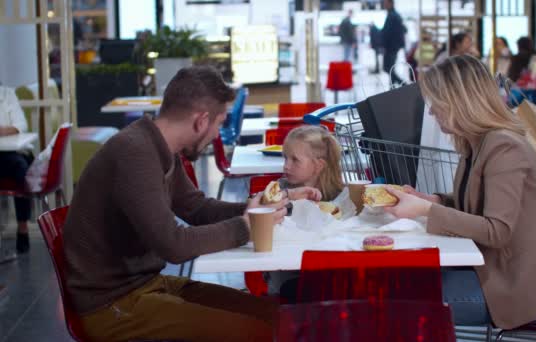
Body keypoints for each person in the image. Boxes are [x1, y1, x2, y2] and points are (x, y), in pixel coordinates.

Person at [63, 66, 320, 342]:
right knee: (260, 332)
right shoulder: (134, 153)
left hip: (148, 286)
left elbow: (197, 208)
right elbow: (174, 244)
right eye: (219, 125)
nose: (217, 135)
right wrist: (245, 227)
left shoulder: (158, 147)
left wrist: (257, 209)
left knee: (275, 315)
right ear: (201, 121)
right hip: (113, 306)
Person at [383, 55, 536, 329]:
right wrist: (433, 200)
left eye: (436, 103)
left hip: (527, 289)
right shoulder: (477, 142)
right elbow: (477, 204)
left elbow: (497, 230)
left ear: (458, 101)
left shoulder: (504, 148)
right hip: (501, 271)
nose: (431, 112)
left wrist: (427, 211)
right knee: (406, 286)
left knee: (404, 305)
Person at [265, 125, 344, 298]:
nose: (286, 166)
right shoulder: (280, 190)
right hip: (284, 280)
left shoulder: (339, 196)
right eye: (285, 158)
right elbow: (260, 211)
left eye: (295, 160)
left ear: (318, 165)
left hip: (327, 276)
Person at [0, 86, 33, 254]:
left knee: (22, 168)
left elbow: (21, 125)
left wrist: (2, 130)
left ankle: (23, 227)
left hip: (7, 153)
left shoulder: (7, 94)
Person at [381, 0, 407, 86]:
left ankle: (403, 84)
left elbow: (391, 32)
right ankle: (393, 87)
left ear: (391, 3)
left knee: (388, 68)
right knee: (389, 68)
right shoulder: (392, 15)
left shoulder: (393, 16)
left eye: (386, 3)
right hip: (392, 47)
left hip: (391, 47)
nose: (384, 5)